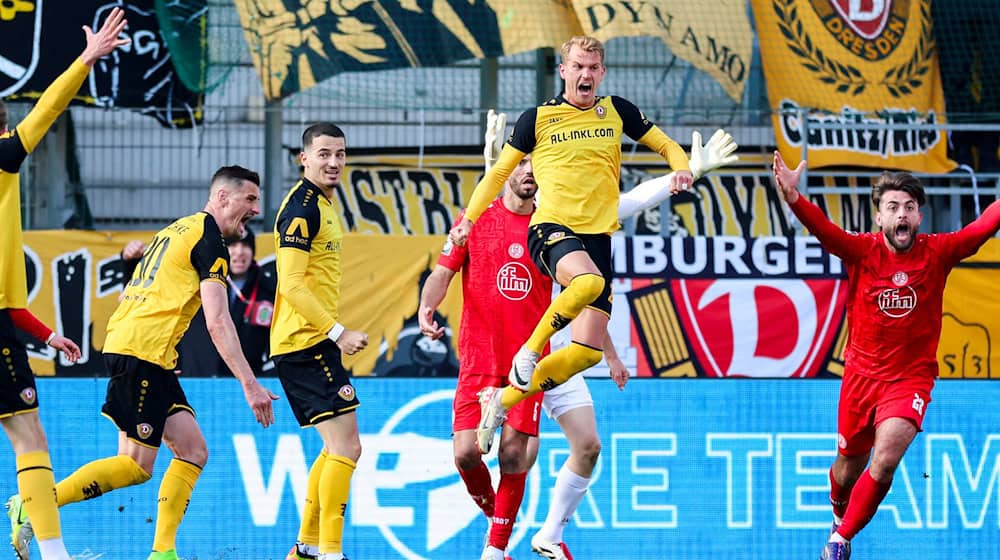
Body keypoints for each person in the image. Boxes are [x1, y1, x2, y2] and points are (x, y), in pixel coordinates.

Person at [419, 112, 737, 560]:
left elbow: (593, 276)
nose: (530, 171)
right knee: (476, 455)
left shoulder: (559, 218)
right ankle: (499, 526)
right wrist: (426, 305)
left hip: (550, 356)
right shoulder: (493, 221)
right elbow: (442, 270)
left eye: (538, 164)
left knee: (574, 447)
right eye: (522, 163)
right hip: (501, 358)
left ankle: (531, 539)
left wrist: (609, 353)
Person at [9, 166, 280, 560]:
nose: (256, 209)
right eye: (250, 199)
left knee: (192, 450)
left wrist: (164, 349)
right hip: (142, 354)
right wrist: (250, 384)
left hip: (146, 353)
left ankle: (163, 551)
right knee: (136, 465)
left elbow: (132, 295)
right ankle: (35, 505)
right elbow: (218, 320)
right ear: (223, 197)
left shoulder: (176, 229)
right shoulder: (209, 241)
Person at [448, 36, 693, 455]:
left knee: (585, 354)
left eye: (593, 67)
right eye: (578, 66)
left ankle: (502, 401)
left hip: (598, 240)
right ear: (563, 70)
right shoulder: (538, 119)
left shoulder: (617, 111)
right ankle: (527, 355)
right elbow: (497, 176)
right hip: (551, 229)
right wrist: (468, 219)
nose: (586, 74)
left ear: (603, 72)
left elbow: (666, 144)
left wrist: (683, 168)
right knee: (587, 285)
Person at [771, 151, 1000, 560]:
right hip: (860, 378)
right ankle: (839, 513)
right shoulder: (863, 251)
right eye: (893, 207)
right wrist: (793, 197)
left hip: (910, 379)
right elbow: (826, 232)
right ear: (879, 218)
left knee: (888, 453)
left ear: (919, 218)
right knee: (845, 470)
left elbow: (982, 228)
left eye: (909, 208)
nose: (902, 215)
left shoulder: (938, 253)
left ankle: (839, 542)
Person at [1, 8, 129, 560]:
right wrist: (84, 59)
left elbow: (7, 300)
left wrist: (43, 331)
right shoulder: (3, 155)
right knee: (28, 435)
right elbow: (47, 110)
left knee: (24, 431)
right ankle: (54, 556)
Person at [276, 123, 368, 560]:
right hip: (305, 342)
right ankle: (330, 552)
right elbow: (291, 284)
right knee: (347, 446)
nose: (334, 162)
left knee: (336, 448)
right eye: (325, 154)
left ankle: (307, 549)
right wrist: (338, 332)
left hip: (311, 342)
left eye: (341, 154)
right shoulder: (301, 208)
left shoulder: (325, 203)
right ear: (304, 158)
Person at [178, 226, 276, 377]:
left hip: (245, 381)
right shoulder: (198, 281)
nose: (239, 252)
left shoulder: (267, 288)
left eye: (245, 246)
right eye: (233, 245)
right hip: (195, 378)